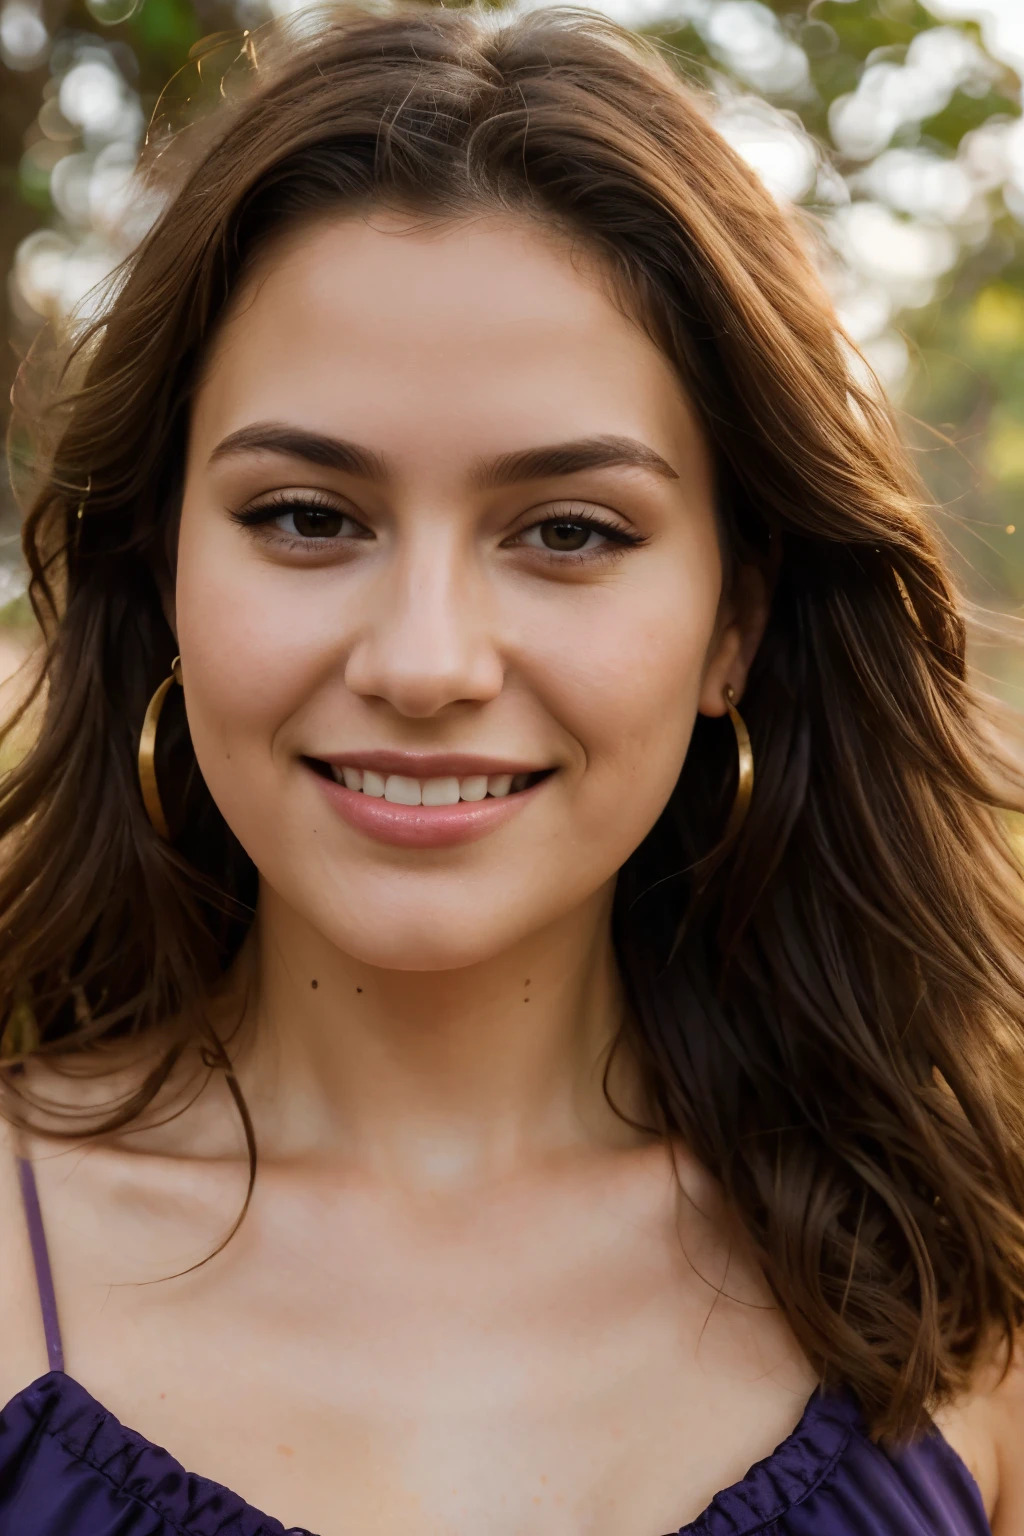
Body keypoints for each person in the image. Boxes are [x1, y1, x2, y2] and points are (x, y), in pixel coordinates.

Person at [0, 6, 1022, 1533]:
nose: (424, 663)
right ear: (161, 578)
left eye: (568, 532)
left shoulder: (971, 1283)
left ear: (732, 621)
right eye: (304, 516)